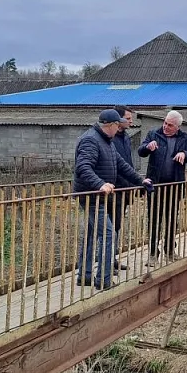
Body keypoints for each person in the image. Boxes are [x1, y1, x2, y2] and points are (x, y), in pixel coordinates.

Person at [73, 109, 151, 290]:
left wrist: (140, 180)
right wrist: (100, 184)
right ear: (110, 125)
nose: (119, 128)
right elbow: (83, 167)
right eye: (118, 124)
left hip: (99, 196)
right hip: (92, 196)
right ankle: (103, 279)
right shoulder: (91, 140)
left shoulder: (107, 141)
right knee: (108, 234)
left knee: (92, 234)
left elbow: (122, 165)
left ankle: (84, 276)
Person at [138, 110, 187, 265]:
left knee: (172, 219)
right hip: (155, 185)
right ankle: (153, 253)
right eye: (165, 122)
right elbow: (141, 151)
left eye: (170, 125)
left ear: (177, 127)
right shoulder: (154, 134)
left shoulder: (185, 138)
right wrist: (147, 147)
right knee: (154, 220)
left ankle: (170, 250)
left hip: (174, 186)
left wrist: (185, 154)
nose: (165, 126)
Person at [110, 105, 136, 274]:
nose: (131, 121)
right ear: (118, 120)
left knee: (117, 226)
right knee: (109, 227)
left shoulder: (125, 137)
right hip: (114, 189)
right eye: (128, 118)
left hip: (125, 189)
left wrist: (134, 184)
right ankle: (107, 262)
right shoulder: (111, 139)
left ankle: (113, 259)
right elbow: (115, 167)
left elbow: (128, 164)